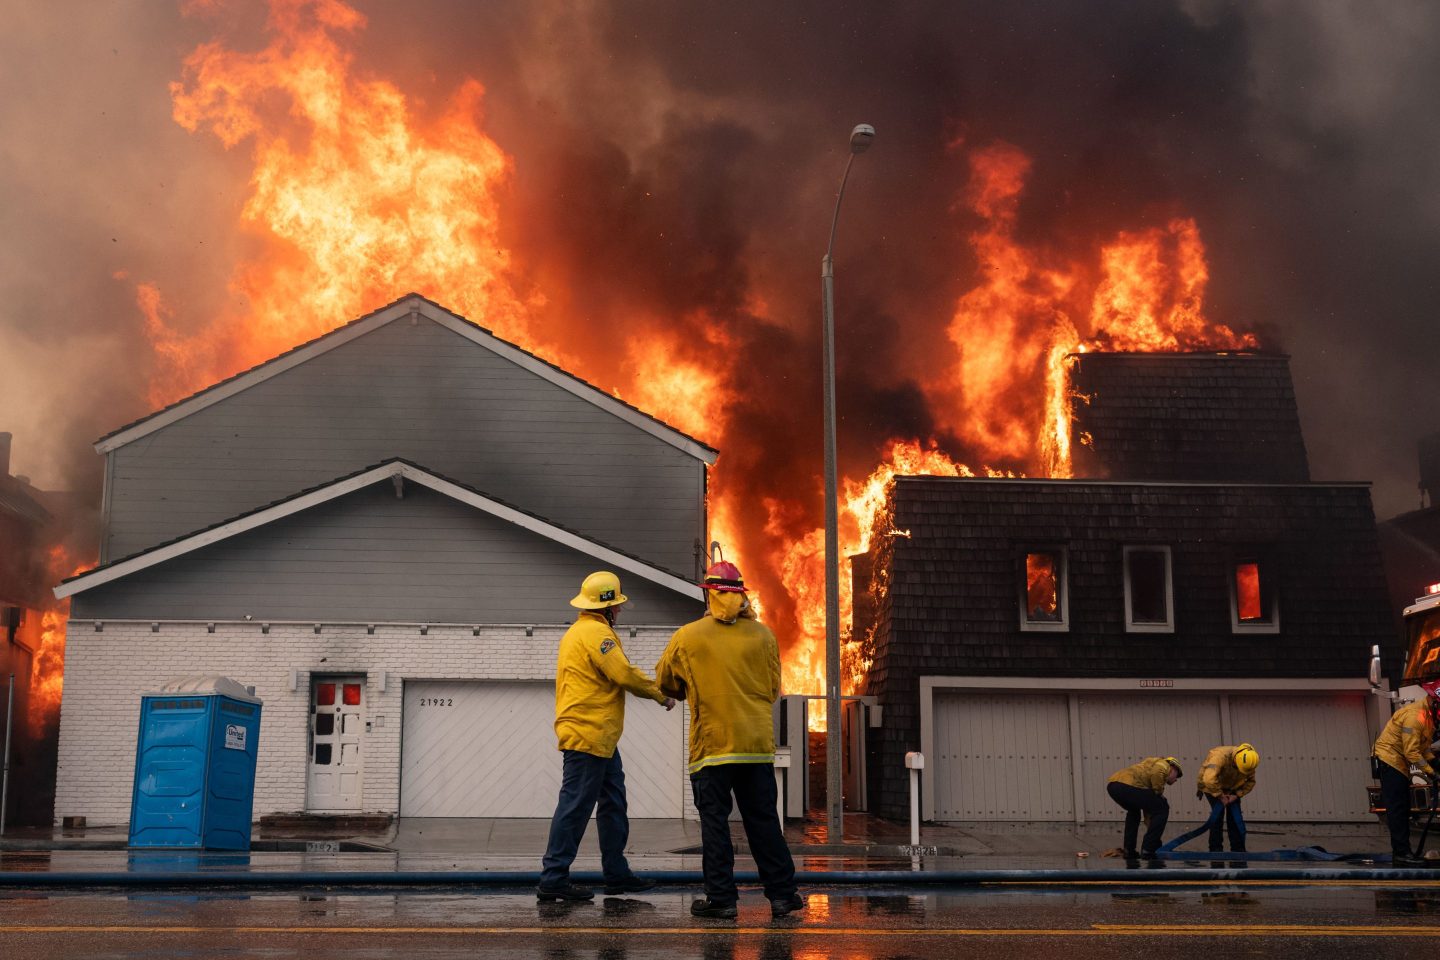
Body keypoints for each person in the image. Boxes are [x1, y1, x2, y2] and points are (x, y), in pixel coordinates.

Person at [655, 560, 803, 920]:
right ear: (741, 595)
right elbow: (771, 690)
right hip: (755, 748)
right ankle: (783, 897)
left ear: (709, 594)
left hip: (713, 749)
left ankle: (721, 900)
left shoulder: (688, 637)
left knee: (715, 825)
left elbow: (666, 683)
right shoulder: (764, 636)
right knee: (764, 822)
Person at [537, 571, 677, 902]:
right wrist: (661, 693)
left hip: (599, 739)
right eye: (618, 605)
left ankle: (616, 874)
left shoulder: (577, 632)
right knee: (575, 807)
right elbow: (622, 673)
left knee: (613, 804)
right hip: (589, 735)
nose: (620, 611)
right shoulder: (599, 636)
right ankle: (553, 878)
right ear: (608, 608)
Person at [1372, 681, 1440, 868]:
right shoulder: (1414, 717)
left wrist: (1435, 762)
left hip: (1398, 762)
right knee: (1398, 809)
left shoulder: (1427, 718)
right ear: (1435, 703)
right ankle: (1401, 854)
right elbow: (1412, 752)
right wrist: (1432, 774)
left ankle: (1403, 852)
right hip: (1390, 761)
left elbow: (1423, 747)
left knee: (1403, 808)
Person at [1163, 743, 1258, 853]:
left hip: (1232, 789)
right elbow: (1209, 780)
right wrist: (1220, 795)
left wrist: (1236, 795)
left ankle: (1238, 850)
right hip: (1213, 787)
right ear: (1236, 759)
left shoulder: (1250, 762)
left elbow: (1251, 782)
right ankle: (1215, 850)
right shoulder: (1219, 756)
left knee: (1235, 819)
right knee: (1217, 816)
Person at [1106, 756, 1183, 859]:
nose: (1176, 780)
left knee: (1134, 812)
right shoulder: (1164, 765)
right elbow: (1157, 772)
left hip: (1114, 786)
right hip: (1126, 786)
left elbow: (1149, 817)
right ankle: (1148, 850)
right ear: (1174, 768)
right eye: (1177, 776)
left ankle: (1129, 850)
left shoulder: (1147, 776)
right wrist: (1159, 793)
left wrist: (1156, 841)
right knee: (1163, 807)